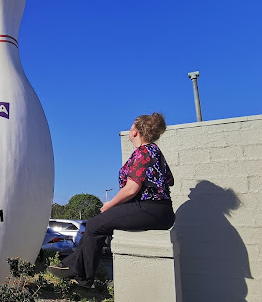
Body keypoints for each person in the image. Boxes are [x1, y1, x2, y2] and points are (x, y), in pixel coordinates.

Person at [48, 112, 176, 288]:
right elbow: (169, 180)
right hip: (160, 209)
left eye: (131, 127)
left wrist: (109, 204)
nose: (129, 130)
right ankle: (76, 269)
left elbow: (131, 189)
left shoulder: (143, 152)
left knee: (94, 225)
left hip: (150, 208)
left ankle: (82, 276)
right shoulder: (154, 151)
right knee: (97, 225)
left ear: (136, 132)